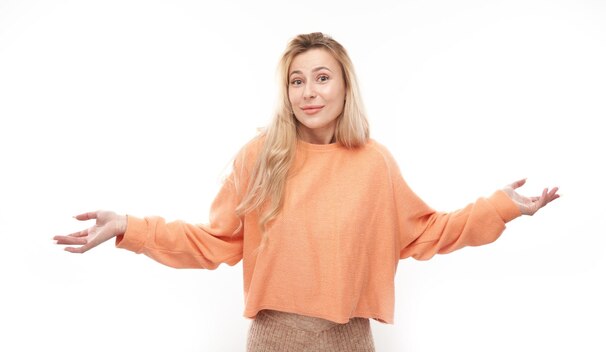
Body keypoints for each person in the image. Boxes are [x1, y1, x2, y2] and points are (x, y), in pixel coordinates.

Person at [53, 32, 559, 351]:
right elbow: (215, 241)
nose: (309, 92)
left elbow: (426, 234)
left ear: (345, 87)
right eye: (297, 81)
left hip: (351, 339)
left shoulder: (374, 162)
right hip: (275, 339)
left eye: (322, 77)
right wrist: (129, 228)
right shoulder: (261, 156)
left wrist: (502, 208)